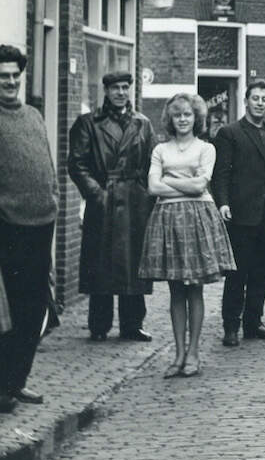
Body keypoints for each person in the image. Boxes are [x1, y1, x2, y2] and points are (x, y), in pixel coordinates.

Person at [141, 94, 236, 378]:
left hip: (197, 219)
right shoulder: (160, 149)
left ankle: (193, 352)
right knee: (175, 290)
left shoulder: (206, 148)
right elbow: (153, 188)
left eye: (187, 114)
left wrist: (169, 180)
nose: (182, 119)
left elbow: (199, 186)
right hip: (167, 219)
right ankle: (178, 354)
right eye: (177, 115)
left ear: (196, 118)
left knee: (194, 288)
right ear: (170, 119)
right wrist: (185, 183)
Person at [68, 70, 155, 342]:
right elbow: (77, 164)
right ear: (105, 91)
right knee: (101, 264)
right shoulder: (88, 123)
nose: (120, 93)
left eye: (125, 87)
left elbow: (153, 162)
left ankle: (132, 324)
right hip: (104, 199)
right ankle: (99, 325)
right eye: (115, 88)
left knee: (133, 264)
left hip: (135, 202)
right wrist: (96, 193)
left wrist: (147, 194)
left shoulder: (143, 123)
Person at [0, 45, 58, 411]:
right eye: (3, 76)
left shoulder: (34, 115)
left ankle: (17, 381)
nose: (10, 82)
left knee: (35, 309)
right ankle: (2, 387)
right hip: (9, 227)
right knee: (10, 310)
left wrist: (53, 197)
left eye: (14, 75)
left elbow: (47, 163)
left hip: (42, 224)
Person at [211, 80, 265, 347]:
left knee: (263, 273)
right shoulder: (229, 133)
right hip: (241, 215)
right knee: (238, 274)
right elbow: (221, 173)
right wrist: (223, 203)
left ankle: (253, 323)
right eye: (255, 98)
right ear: (246, 101)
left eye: (264, 99)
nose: (259, 103)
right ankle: (231, 326)